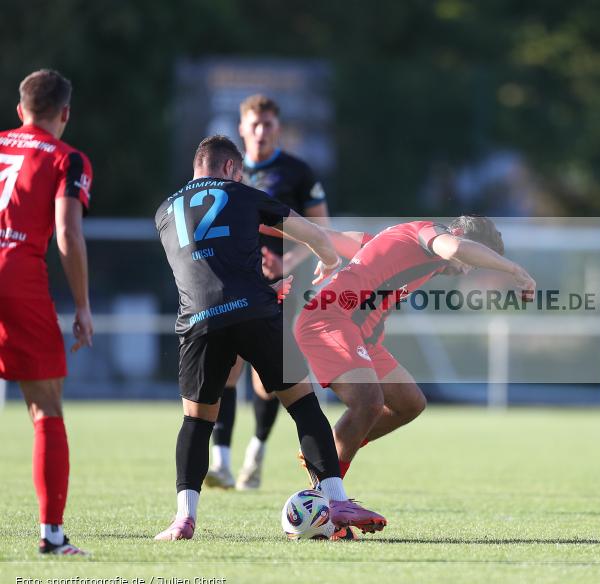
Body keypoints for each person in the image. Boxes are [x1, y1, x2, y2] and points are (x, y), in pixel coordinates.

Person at [153, 135, 385, 541]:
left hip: (198, 321)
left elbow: (204, 266)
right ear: (229, 168)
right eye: (238, 173)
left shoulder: (163, 212)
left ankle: (183, 519)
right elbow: (313, 233)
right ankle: (337, 498)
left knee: (195, 421)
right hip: (255, 312)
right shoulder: (243, 194)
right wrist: (328, 261)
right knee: (303, 403)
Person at [294, 217, 535, 485]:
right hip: (330, 319)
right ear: (456, 232)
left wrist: (324, 251)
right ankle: (329, 495)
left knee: (409, 403)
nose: (466, 270)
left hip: (360, 336)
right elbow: (455, 248)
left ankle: (325, 455)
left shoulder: (406, 244)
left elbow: (335, 238)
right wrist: (514, 269)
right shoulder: (430, 233)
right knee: (369, 402)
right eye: (473, 261)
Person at [205, 94, 332, 492]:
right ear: (241, 128)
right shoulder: (226, 172)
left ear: (277, 128)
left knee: (268, 380)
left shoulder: (297, 172)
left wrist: (287, 263)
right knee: (227, 368)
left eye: (268, 125)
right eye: (254, 125)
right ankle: (220, 463)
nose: (261, 132)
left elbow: (319, 230)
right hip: (233, 284)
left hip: (283, 286)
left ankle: (255, 455)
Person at [0, 69, 93, 556]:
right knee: (45, 410)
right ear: (65, 114)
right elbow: (67, 235)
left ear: (20, 110)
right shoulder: (67, 158)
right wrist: (81, 305)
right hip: (17, 278)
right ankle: (52, 536)